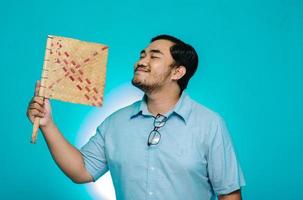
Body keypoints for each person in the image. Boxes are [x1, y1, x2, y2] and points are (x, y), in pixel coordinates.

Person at [27, 34, 245, 200]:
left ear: (178, 72)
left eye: (154, 56)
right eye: (142, 55)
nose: (141, 61)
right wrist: (47, 124)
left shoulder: (209, 124)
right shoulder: (115, 123)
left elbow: (229, 195)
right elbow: (81, 170)